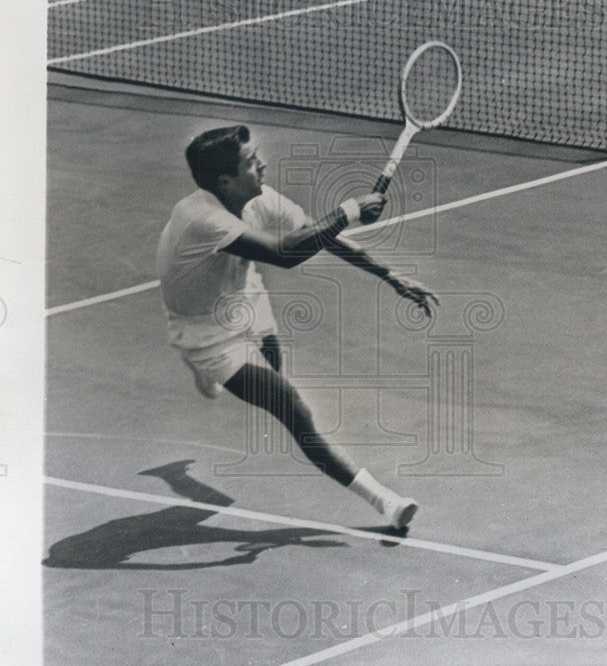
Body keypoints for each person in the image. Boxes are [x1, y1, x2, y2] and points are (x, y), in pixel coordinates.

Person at [157, 125, 439, 530]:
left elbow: (316, 234)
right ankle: (386, 503)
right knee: (291, 405)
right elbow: (285, 254)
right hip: (205, 333)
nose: (263, 164)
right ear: (225, 181)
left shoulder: (254, 197)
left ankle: (177, 472)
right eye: (251, 162)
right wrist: (351, 210)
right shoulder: (203, 220)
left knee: (273, 364)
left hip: (240, 293)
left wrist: (389, 275)